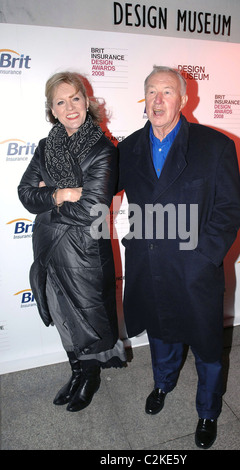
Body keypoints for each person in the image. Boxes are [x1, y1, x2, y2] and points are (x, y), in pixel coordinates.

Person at [118, 66, 240, 448]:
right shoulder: (126, 149)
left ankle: (207, 410)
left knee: (207, 344)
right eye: (151, 92)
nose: (158, 100)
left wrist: (204, 256)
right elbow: (96, 186)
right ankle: (164, 384)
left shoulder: (215, 145)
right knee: (161, 333)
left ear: (185, 100)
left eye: (167, 92)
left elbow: (228, 209)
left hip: (195, 269)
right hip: (150, 265)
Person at [18, 71, 126, 413]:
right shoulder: (45, 147)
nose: (69, 107)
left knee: (86, 318)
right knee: (62, 315)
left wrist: (47, 203)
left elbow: (92, 210)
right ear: (52, 109)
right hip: (49, 250)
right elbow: (24, 194)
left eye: (75, 98)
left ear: (86, 101)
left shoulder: (102, 150)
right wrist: (62, 193)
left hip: (83, 252)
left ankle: (90, 377)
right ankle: (77, 371)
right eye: (60, 101)